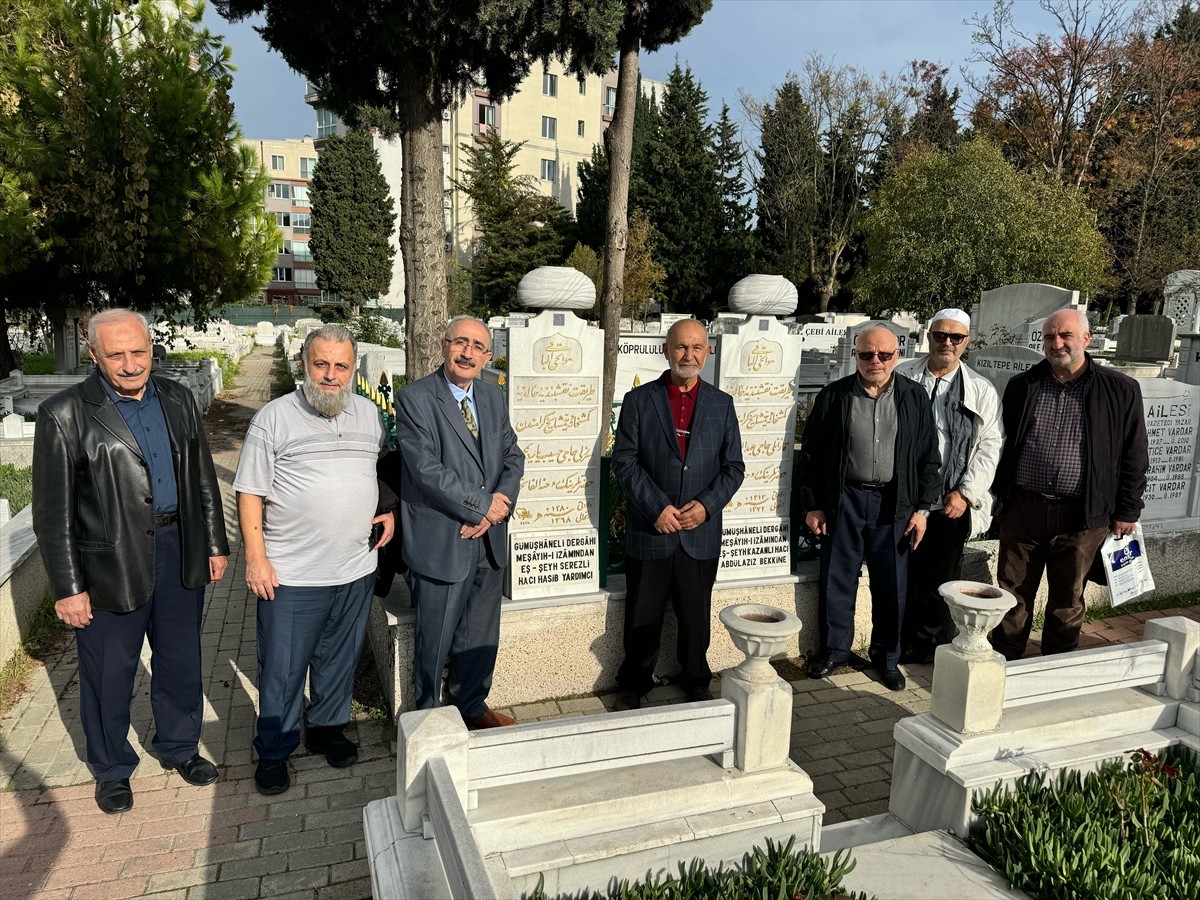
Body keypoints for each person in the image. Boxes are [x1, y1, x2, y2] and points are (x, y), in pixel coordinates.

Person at [32, 308, 229, 814]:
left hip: (178, 549)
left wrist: (214, 543)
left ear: (151, 349)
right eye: (115, 354)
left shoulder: (178, 397)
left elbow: (203, 478)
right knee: (108, 674)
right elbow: (52, 516)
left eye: (137, 351)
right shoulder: (65, 413)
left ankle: (180, 747)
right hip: (109, 563)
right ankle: (112, 768)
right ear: (94, 354)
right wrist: (67, 587)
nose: (128, 363)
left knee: (181, 661)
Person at [234, 324, 395, 795]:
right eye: (321, 364)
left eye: (340, 366)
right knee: (283, 668)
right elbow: (248, 492)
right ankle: (275, 748)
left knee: (338, 658)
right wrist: (256, 559)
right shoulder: (274, 418)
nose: (330, 375)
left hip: (354, 567)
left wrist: (385, 506)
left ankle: (327, 728)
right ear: (305, 364)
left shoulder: (368, 415)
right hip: (293, 573)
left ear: (353, 368)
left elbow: (373, 469)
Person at [990, 308, 1148, 660]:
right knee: (1012, 594)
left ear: (1086, 339)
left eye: (1065, 336)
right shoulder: (1023, 385)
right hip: (1024, 510)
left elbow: (1134, 454)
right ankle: (1004, 663)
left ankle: (1056, 667)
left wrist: (1127, 509)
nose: (1056, 343)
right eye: (1049, 337)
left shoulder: (1119, 389)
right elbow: (1003, 445)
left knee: (1067, 599)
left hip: (1081, 515)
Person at [397, 316, 525, 728]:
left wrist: (497, 507)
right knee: (434, 640)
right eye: (460, 343)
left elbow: (512, 457)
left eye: (478, 347)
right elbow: (426, 470)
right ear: (443, 345)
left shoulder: (491, 397)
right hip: (444, 537)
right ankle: (428, 721)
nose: (468, 353)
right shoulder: (415, 399)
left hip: (488, 537)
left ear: (488, 355)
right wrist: (480, 507)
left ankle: (470, 705)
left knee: (480, 635)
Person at [797, 324, 941, 691]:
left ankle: (887, 658)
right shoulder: (834, 396)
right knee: (837, 580)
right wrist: (813, 504)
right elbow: (810, 454)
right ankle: (834, 651)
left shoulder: (914, 398)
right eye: (866, 355)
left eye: (884, 354)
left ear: (897, 356)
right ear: (855, 356)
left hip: (894, 504)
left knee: (892, 585)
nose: (875, 361)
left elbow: (928, 458)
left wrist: (923, 510)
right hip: (844, 500)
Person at [611, 318, 745, 710]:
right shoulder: (640, 401)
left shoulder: (722, 405)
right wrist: (655, 508)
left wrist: (705, 506)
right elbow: (625, 460)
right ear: (666, 350)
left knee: (695, 615)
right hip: (652, 529)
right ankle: (634, 682)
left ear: (708, 352)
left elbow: (733, 467)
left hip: (698, 532)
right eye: (681, 347)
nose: (689, 355)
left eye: (697, 347)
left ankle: (696, 680)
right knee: (641, 613)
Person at [894, 309, 1003, 663]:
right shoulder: (903, 374)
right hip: (904, 496)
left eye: (956, 338)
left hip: (951, 500)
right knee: (899, 574)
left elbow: (989, 445)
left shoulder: (980, 390)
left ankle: (923, 645)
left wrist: (967, 492)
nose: (947, 343)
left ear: (966, 342)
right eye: (941, 335)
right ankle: (894, 640)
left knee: (937, 580)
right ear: (929, 336)